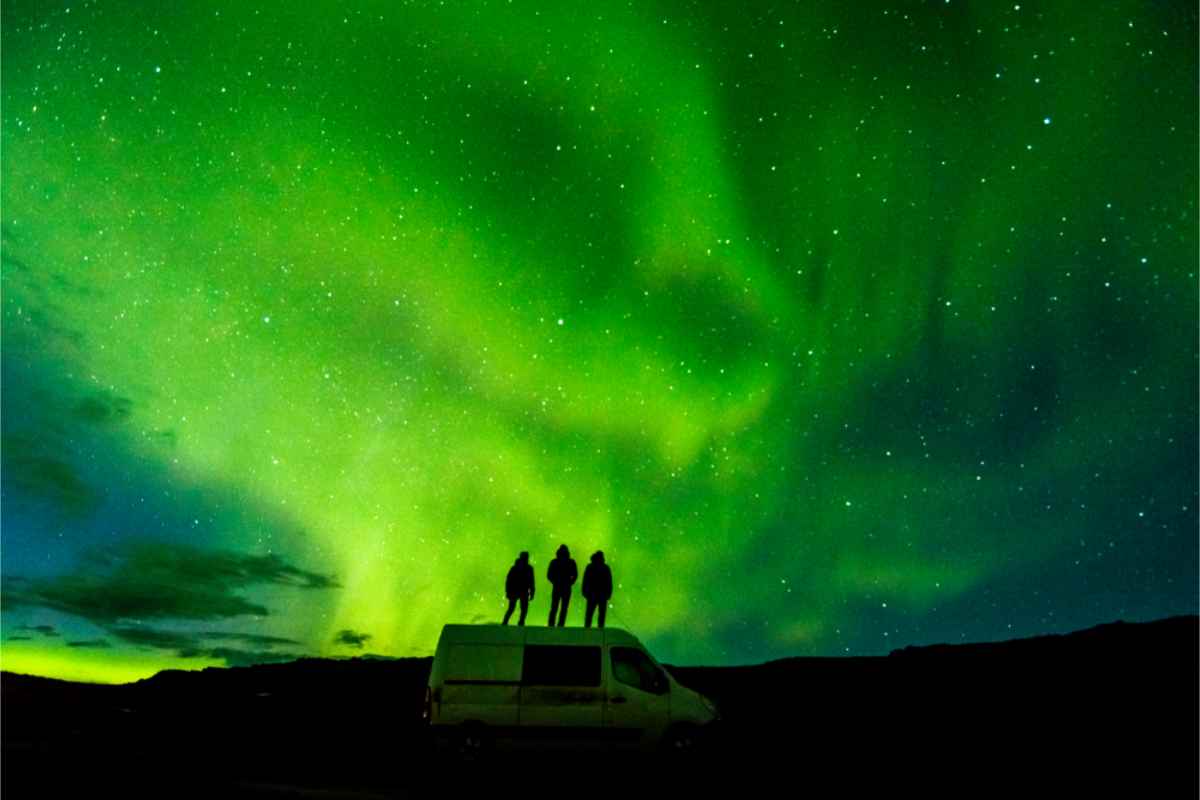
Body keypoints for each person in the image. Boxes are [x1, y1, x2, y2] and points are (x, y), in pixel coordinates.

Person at [546, 544, 577, 627]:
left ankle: (551, 624)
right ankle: (561, 624)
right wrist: (570, 582)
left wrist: (555, 582)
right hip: (566, 588)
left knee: (554, 607)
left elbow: (549, 575)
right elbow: (575, 575)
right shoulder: (571, 562)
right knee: (564, 608)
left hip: (557, 587)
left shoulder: (554, 562)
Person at [502, 552, 535, 625]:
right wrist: (532, 592)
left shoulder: (515, 568)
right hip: (522, 591)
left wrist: (507, 591)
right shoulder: (529, 568)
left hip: (515, 591)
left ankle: (505, 622)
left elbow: (508, 580)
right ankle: (520, 622)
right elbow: (531, 581)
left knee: (512, 609)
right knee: (522, 609)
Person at [582, 551, 613, 628]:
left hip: (592, 595)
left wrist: (585, 592)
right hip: (601, 595)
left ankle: (587, 629)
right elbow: (609, 582)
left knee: (589, 614)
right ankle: (600, 630)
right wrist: (608, 594)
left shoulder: (590, 567)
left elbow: (585, 580)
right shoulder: (605, 568)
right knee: (601, 615)